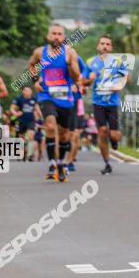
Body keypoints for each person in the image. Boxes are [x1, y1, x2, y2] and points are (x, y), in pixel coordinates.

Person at [27, 23, 84, 182]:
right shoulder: (40, 52)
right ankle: (52, 163)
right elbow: (31, 65)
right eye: (54, 33)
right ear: (48, 36)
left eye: (60, 34)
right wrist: (36, 80)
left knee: (65, 134)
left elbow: (77, 76)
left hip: (65, 97)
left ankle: (60, 163)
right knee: (50, 126)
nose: (57, 36)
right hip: (47, 95)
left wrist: (68, 64)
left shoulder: (70, 52)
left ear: (64, 37)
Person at [87, 35, 130, 175]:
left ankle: (114, 139)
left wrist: (119, 85)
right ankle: (107, 163)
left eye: (107, 44)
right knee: (102, 131)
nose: (104, 46)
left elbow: (127, 77)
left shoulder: (117, 62)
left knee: (114, 134)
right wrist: (88, 80)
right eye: (102, 43)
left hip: (112, 103)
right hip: (97, 103)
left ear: (111, 47)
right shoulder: (90, 62)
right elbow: (82, 79)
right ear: (98, 46)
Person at [10, 86, 40, 161]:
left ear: (31, 92)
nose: (27, 92)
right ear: (23, 91)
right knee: (21, 139)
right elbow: (12, 108)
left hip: (31, 121)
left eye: (29, 91)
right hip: (21, 121)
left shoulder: (33, 99)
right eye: (26, 90)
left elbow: (37, 109)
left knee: (31, 136)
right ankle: (22, 153)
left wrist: (40, 117)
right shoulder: (19, 99)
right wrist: (16, 113)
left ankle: (30, 155)